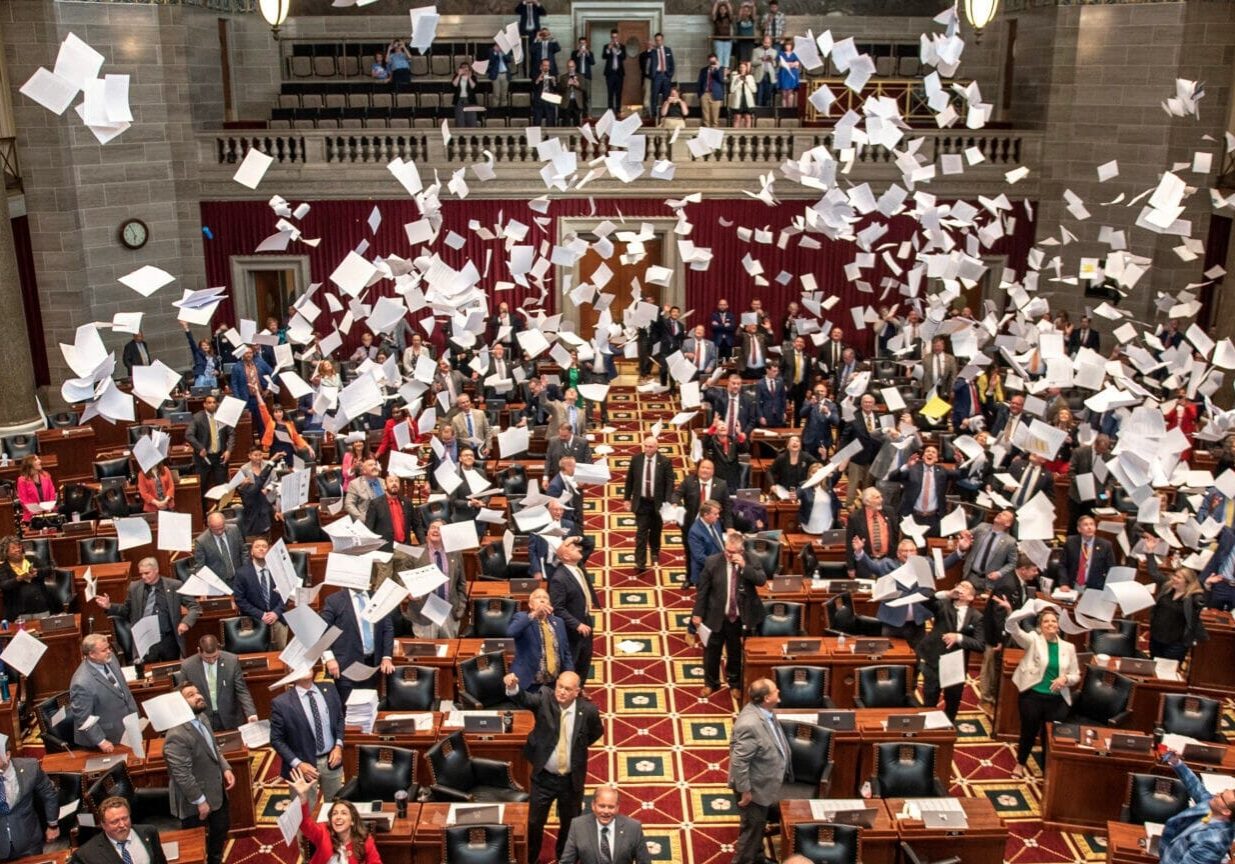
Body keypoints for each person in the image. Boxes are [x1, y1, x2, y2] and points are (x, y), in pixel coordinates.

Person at [502, 669, 603, 864]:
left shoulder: (588, 711)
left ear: (577, 692)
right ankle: (530, 858)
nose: (562, 692)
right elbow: (523, 698)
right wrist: (512, 686)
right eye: (559, 687)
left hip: (571, 781)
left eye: (567, 689)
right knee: (533, 823)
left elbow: (595, 733)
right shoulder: (544, 698)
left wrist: (576, 749)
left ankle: (564, 859)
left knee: (570, 824)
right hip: (543, 777)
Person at [1000, 603, 1080, 777]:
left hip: (1057, 700)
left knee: (1050, 737)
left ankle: (1047, 769)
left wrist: (1065, 679)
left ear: (1058, 625)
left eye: (1053, 621)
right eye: (1046, 622)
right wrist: (1026, 612)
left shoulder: (1069, 647)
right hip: (1033, 696)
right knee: (1028, 732)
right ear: (1040, 626)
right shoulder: (1033, 640)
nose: (1051, 624)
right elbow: (1012, 627)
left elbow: (1076, 675)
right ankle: (1020, 764)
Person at [164, 683, 235, 864]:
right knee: (196, 845)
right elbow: (182, 775)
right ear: (179, 704)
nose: (198, 696)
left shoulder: (202, 717)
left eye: (197, 692)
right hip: (195, 801)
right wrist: (200, 801)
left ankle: (215, 860)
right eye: (191, 695)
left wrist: (225, 767)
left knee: (221, 829)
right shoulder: (176, 735)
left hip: (216, 789)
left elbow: (214, 749)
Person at [692, 530, 767, 696]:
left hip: (738, 618)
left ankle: (734, 684)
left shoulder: (751, 560)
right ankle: (711, 683)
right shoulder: (713, 562)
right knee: (712, 652)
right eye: (726, 550)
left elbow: (761, 580)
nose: (728, 554)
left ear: (741, 551)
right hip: (716, 616)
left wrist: (744, 567)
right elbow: (702, 591)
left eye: (732, 552)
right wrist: (697, 614)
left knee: (735, 653)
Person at [728, 678, 792, 864]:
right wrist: (745, 791)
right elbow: (739, 761)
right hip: (754, 789)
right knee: (751, 833)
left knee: (756, 829)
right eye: (774, 690)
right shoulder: (750, 724)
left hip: (762, 783)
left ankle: (757, 859)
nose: (778, 690)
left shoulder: (763, 711)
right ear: (766, 698)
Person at [96, 557, 201, 662]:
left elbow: (194, 607)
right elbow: (126, 610)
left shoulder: (174, 585)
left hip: (169, 640)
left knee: (171, 671)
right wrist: (109, 606)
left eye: (147, 573)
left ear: (156, 570)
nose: (143, 577)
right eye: (141, 574)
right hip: (146, 640)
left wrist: (186, 622)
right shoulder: (134, 587)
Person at [269, 666, 346, 801]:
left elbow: (339, 718)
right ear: (290, 673)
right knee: (304, 811)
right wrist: (298, 764)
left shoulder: (329, 688)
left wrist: (338, 745)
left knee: (335, 807)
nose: (306, 666)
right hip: (303, 767)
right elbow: (276, 739)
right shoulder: (281, 703)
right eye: (300, 664)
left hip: (332, 761)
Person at [320, 573, 395, 705]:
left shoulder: (376, 598)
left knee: (368, 708)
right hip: (346, 665)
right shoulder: (335, 600)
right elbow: (322, 630)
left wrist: (386, 657)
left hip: (372, 665)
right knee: (348, 709)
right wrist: (330, 659)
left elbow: (387, 628)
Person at [917, 581, 985, 721]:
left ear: (971, 597)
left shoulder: (977, 617)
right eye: (959, 585)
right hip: (935, 659)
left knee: (953, 701)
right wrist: (946, 594)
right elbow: (924, 600)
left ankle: (948, 727)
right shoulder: (943, 605)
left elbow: (980, 645)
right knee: (930, 699)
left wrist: (959, 638)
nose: (961, 588)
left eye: (966, 587)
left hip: (956, 666)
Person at [287, 767, 380, 864]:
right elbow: (305, 823)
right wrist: (303, 797)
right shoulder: (323, 833)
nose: (338, 816)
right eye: (334, 813)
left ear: (352, 821)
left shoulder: (365, 841)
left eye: (344, 813)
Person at [1157, 749, 1235, 864]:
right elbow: (1195, 787)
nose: (1217, 794)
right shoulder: (1212, 808)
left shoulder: (1212, 843)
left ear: (1226, 811)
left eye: (1221, 796)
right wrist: (1176, 762)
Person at [68, 634, 140, 751]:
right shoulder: (81, 683)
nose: (109, 652)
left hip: (129, 725)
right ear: (91, 654)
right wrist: (101, 741)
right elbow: (83, 718)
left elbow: (122, 690)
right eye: (103, 650)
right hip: (109, 737)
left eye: (108, 648)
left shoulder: (111, 658)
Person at [177, 635, 258, 731]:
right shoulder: (188, 666)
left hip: (230, 717)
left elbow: (242, 690)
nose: (212, 660)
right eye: (207, 658)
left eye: (215, 656)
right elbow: (182, 696)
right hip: (203, 718)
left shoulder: (231, 661)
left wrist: (251, 713)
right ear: (199, 651)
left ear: (219, 649)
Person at [548, 537, 599, 685]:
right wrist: (577, 624)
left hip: (585, 619)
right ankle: (568, 690)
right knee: (574, 660)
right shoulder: (559, 578)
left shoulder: (578, 565)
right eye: (573, 548)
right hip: (572, 628)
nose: (578, 549)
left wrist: (575, 538)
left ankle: (579, 688)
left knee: (586, 657)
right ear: (565, 556)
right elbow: (558, 608)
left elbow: (589, 544)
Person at [559, 785, 652, 864]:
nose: (606, 811)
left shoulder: (633, 827)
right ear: (593, 805)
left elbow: (644, 862)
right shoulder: (578, 826)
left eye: (611, 807)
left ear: (617, 808)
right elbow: (567, 862)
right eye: (602, 806)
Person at [622, 436, 675, 572]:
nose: (648, 449)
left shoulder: (664, 462)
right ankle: (640, 562)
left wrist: (669, 502)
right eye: (646, 446)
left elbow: (670, 483)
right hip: (642, 502)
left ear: (656, 447)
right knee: (641, 532)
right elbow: (630, 480)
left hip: (658, 503)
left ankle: (655, 551)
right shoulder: (636, 459)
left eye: (651, 446)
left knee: (656, 530)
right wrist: (627, 498)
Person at [406, 520, 467, 638]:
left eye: (439, 529)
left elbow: (461, 583)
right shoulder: (415, 553)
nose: (435, 530)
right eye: (432, 527)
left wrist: (460, 608)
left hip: (448, 612)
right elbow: (403, 579)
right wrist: (408, 592)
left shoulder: (455, 554)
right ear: (427, 532)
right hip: (423, 612)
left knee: (449, 653)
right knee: (426, 654)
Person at [0, 740, 59, 860]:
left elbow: (48, 793)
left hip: (28, 842)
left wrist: (52, 825)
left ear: (7, 754)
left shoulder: (30, 767)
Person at [1144, 549, 1206, 660]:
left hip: (1175, 644)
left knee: (1166, 671)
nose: (1174, 579)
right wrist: (1149, 553)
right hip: (1156, 637)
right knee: (1152, 665)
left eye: (1178, 577)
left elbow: (1199, 607)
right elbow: (1154, 572)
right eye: (1174, 575)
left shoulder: (1193, 598)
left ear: (1187, 582)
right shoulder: (1167, 586)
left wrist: (1208, 585)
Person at [509, 587, 573, 692]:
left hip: (553, 685)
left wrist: (569, 675)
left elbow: (566, 653)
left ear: (550, 604)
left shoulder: (559, 622)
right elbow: (511, 632)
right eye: (538, 597)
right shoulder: (522, 617)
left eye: (545, 598)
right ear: (530, 605)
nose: (542, 600)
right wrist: (534, 614)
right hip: (529, 684)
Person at [232, 537, 290, 649]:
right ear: (251, 552)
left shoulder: (279, 570)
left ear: (269, 551)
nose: (261, 549)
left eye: (264, 547)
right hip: (254, 619)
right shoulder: (242, 573)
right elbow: (240, 600)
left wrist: (276, 613)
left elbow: (286, 594)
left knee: (281, 653)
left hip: (277, 618)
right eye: (257, 546)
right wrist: (261, 615)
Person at [72, 797, 169, 864]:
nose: (122, 825)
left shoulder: (149, 832)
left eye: (125, 818)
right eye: (115, 822)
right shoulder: (86, 855)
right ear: (103, 825)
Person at [891, 445, 956, 537]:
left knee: (931, 546)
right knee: (912, 546)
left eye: (933, 452)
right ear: (922, 457)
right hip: (913, 516)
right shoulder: (913, 469)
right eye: (927, 451)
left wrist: (960, 462)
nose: (930, 453)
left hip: (933, 518)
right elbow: (893, 477)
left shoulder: (942, 471)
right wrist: (907, 466)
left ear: (937, 459)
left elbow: (961, 474)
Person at [185, 394, 234, 497]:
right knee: (202, 488)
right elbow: (189, 435)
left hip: (220, 457)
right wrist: (199, 448)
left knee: (222, 487)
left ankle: (221, 511)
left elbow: (231, 434)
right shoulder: (198, 417)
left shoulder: (222, 417)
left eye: (214, 402)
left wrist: (228, 450)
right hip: (203, 458)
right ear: (204, 405)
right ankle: (204, 511)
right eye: (209, 402)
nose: (212, 405)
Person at [961, 509, 1018, 592]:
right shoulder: (982, 527)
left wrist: (999, 573)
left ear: (1008, 523)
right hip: (970, 575)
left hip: (988, 581)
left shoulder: (1010, 542)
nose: (1000, 514)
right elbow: (967, 534)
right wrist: (963, 533)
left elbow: (1013, 563)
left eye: (1004, 515)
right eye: (1000, 512)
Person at [0, 535, 54, 618]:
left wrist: (37, 571)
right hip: (19, 611)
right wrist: (19, 578)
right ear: (6, 552)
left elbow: (49, 570)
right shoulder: (3, 567)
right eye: (13, 548)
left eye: (19, 546)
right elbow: (4, 585)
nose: (18, 549)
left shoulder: (31, 559)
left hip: (41, 606)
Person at [1060, 515, 1116, 590]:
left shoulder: (1105, 545)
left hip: (1095, 588)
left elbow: (1111, 569)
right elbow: (1062, 565)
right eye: (1086, 525)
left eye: (1092, 524)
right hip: (1072, 586)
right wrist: (1064, 583)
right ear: (1079, 529)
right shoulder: (1071, 542)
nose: (1089, 527)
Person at [235, 447, 280, 540]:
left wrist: (267, 489)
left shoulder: (267, 465)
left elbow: (275, 481)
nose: (258, 457)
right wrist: (243, 484)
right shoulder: (244, 468)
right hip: (254, 500)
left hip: (269, 496)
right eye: (255, 455)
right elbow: (240, 487)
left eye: (260, 455)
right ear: (250, 456)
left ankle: (268, 533)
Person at [228, 346, 273, 438]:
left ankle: (263, 443)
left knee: (262, 422)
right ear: (242, 354)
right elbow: (234, 385)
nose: (248, 355)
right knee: (249, 424)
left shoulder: (259, 363)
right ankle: (251, 445)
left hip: (259, 398)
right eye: (246, 353)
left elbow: (273, 373)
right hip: (246, 399)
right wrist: (239, 401)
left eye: (250, 353)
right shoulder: (237, 367)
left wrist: (268, 389)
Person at [363, 475, 417, 551]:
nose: (394, 483)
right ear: (385, 485)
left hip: (404, 547)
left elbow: (416, 524)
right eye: (391, 481)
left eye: (396, 481)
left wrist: (423, 544)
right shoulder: (376, 503)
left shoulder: (407, 502)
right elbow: (369, 528)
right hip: (384, 549)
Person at [192, 511, 246, 585]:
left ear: (224, 523)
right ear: (209, 526)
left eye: (221, 528)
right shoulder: (201, 541)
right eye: (215, 529)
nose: (220, 532)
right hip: (218, 583)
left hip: (239, 578)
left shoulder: (234, 530)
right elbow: (200, 567)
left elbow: (243, 551)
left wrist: (245, 571)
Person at [687, 500, 727, 590]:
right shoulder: (695, 532)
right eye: (715, 514)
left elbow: (719, 542)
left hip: (719, 568)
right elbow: (700, 557)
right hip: (705, 573)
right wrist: (719, 565)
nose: (718, 516)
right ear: (706, 515)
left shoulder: (715, 522)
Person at [798, 462, 839, 535]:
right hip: (809, 526)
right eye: (813, 472)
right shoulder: (804, 486)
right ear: (809, 474)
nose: (816, 475)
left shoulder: (829, 484)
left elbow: (840, 469)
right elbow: (795, 496)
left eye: (818, 472)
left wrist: (847, 452)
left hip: (827, 525)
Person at [15, 455, 54, 526]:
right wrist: (35, 512)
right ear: (30, 464)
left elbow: (52, 493)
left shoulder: (46, 475)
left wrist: (50, 508)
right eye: (36, 460)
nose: (40, 461)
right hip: (31, 517)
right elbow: (23, 500)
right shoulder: (22, 480)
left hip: (48, 514)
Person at [182, 321, 222, 389]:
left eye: (207, 345)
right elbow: (191, 341)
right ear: (200, 347)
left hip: (212, 378)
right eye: (203, 345)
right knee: (200, 395)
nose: (205, 346)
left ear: (209, 346)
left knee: (213, 396)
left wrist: (218, 372)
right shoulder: (197, 353)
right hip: (202, 377)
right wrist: (186, 328)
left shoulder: (214, 357)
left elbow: (218, 369)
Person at [646, 32, 674, 119]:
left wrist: (670, 74)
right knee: (654, 96)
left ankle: (664, 115)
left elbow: (672, 64)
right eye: (657, 40)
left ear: (662, 40)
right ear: (655, 41)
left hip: (666, 76)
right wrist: (649, 49)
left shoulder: (668, 50)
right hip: (656, 76)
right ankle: (654, 116)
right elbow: (646, 58)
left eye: (660, 40)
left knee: (666, 96)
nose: (658, 42)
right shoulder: (652, 51)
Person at [698, 54, 726, 128]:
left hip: (715, 95)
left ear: (716, 60)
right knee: (705, 119)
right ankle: (706, 137)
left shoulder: (721, 69)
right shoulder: (703, 70)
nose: (712, 63)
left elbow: (721, 80)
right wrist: (700, 95)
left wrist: (716, 69)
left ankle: (714, 138)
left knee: (715, 119)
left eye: (714, 61)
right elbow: (699, 82)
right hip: (705, 94)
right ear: (708, 61)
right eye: (711, 61)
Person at [755, 362, 786, 427]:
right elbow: (758, 402)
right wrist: (760, 416)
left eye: (777, 371)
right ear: (767, 370)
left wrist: (784, 412)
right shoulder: (760, 384)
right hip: (766, 415)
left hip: (779, 415)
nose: (776, 373)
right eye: (774, 371)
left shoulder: (780, 381)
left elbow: (783, 398)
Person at [601, 29, 625, 112]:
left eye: (616, 37)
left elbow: (624, 57)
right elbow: (603, 56)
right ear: (611, 37)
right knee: (610, 92)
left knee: (618, 93)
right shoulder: (606, 46)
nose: (614, 39)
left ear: (618, 37)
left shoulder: (622, 46)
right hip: (610, 73)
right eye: (612, 37)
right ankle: (610, 110)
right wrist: (608, 49)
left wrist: (618, 50)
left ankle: (618, 110)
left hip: (619, 73)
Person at [728, 59, 757, 128]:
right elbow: (731, 90)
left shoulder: (750, 77)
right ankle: (735, 137)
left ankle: (747, 136)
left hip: (747, 101)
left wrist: (747, 81)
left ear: (746, 68)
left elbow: (754, 90)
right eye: (740, 67)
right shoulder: (735, 77)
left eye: (743, 67)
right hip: (738, 101)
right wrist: (739, 81)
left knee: (748, 118)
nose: (742, 69)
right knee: (737, 118)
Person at [559, 59, 588, 127]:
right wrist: (567, 85)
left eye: (572, 66)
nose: (571, 68)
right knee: (566, 122)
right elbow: (560, 90)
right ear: (567, 67)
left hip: (577, 101)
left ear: (575, 67)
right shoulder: (563, 77)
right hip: (567, 102)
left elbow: (584, 88)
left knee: (577, 122)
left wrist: (578, 85)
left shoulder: (580, 76)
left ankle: (576, 137)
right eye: (569, 67)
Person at [451, 61, 479, 127]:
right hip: (459, 100)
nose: (464, 70)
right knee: (460, 121)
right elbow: (454, 85)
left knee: (472, 121)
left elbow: (474, 87)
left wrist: (469, 77)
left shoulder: (473, 77)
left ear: (469, 69)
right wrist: (459, 75)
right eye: (463, 68)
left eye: (466, 68)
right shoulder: (456, 76)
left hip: (470, 100)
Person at [776, 37, 800, 110]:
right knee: (784, 93)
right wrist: (790, 64)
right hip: (783, 74)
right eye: (786, 45)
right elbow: (780, 63)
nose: (788, 46)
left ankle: (789, 110)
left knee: (790, 92)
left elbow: (797, 64)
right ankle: (784, 110)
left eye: (789, 45)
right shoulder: (781, 53)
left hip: (792, 74)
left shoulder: (795, 54)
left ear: (792, 46)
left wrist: (789, 64)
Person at [753, 34, 777, 106]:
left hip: (769, 75)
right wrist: (761, 59)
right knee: (759, 95)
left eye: (768, 43)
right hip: (760, 75)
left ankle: (767, 113)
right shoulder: (756, 50)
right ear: (762, 42)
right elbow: (753, 63)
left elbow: (775, 65)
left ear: (771, 43)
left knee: (768, 95)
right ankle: (758, 112)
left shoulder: (774, 51)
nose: (766, 44)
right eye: (765, 42)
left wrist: (772, 60)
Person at [711, 0, 734, 69]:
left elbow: (731, 12)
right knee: (719, 58)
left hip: (727, 41)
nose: (723, 10)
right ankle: (719, 73)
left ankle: (725, 75)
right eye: (721, 9)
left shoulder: (728, 18)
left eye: (724, 9)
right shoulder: (716, 18)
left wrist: (727, 3)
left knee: (726, 58)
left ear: (726, 10)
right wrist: (717, 3)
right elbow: (713, 14)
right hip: (718, 40)